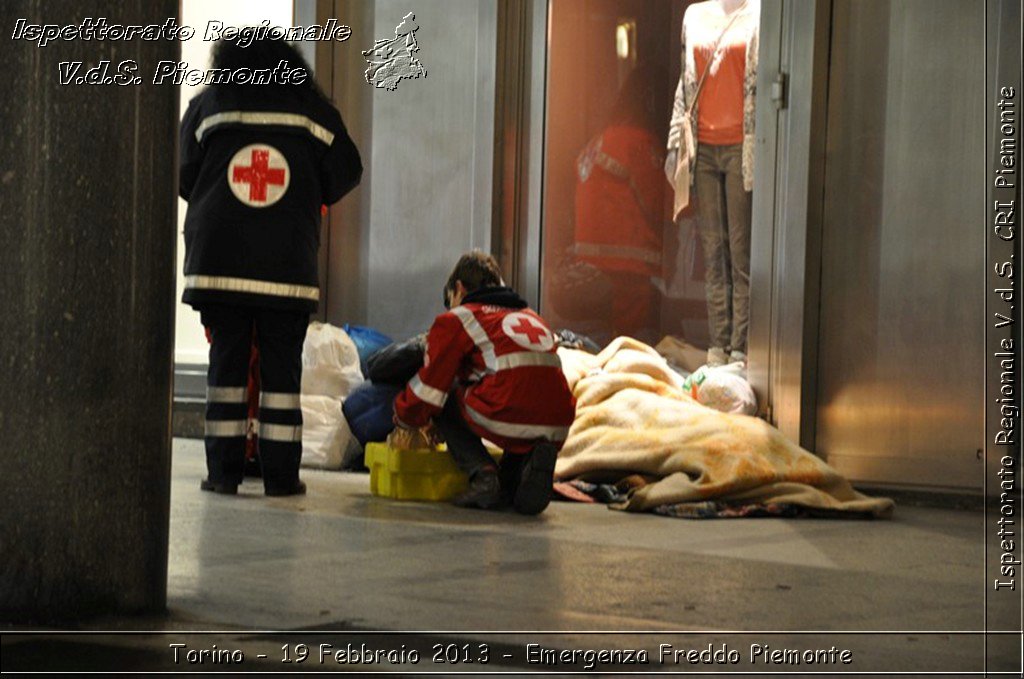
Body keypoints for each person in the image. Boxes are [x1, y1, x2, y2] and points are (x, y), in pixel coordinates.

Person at [179, 36, 362, 496]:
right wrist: (305, 190)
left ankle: (223, 475)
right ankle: (281, 478)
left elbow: (183, 175)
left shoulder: (209, 105)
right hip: (286, 263)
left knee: (226, 369)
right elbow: (346, 172)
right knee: (282, 374)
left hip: (218, 262)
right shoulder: (312, 112)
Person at [392, 251, 577, 515]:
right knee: (516, 397)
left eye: (450, 300)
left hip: (508, 412)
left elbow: (430, 391)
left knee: (446, 397)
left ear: (458, 289)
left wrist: (403, 415)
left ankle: (484, 476)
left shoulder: (459, 318)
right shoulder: (533, 316)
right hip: (558, 423)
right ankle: (523, 470)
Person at [666, 0, 758, 366]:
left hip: (741, 146)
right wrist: (675, 145)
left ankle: (741, 348)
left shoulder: (759, 13)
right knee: (713, 252)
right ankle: (718, 345)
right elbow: (685, 86)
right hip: (701, 147)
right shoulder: (694, 15)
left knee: (740, 251)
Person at [573, 64, 666, 344]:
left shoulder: (599, 139)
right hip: (628, 262)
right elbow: (657, 199)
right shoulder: (639, 142)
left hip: (588, 260)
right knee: (630, 343)